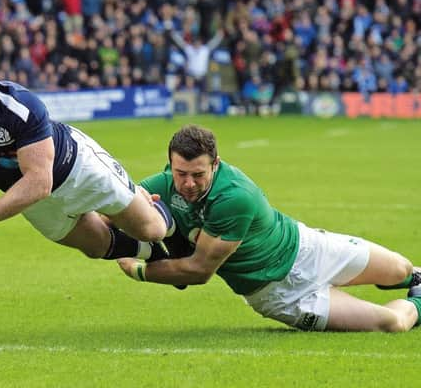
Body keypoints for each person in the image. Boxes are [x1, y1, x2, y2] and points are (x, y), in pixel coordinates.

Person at [117, 124, 421, 332]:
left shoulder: (234, 197)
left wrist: (137, 269)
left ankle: (415, 280)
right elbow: (119, 202)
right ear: (170, 165)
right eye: (181, 173)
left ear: (215, 164)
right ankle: (418, 301)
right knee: (391, 324)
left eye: (198, 174)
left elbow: (198, 271)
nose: (188, 184)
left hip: (306, 247)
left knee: (400, 267)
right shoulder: (165, 184)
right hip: (279, 294)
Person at [0, 37, 173, 264]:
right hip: (27, 197)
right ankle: (154, 256)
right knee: (96, 247)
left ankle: (168, 213)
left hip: (76, 169)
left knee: (151, 229)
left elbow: (40, 181)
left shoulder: (19, 106)